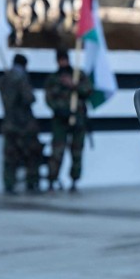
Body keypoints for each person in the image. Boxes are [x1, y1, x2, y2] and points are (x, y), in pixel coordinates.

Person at [45, 49, 93, 193]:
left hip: (78, 120)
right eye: (60, 60)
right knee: (57, 152)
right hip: (60, 120)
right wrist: (59, 110)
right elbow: (49, 98)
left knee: (77, 152)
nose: (63, 62)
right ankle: (52, 180)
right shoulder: (53, 79)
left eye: (64, 59)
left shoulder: (78, 75)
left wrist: (74, 85)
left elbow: (88, 90)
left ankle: (74, 180)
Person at [0, 53, 43, 194]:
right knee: (32, 154)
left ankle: (9, 184)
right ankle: (32, 182)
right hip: (24, 123)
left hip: (8, 122)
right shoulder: (22, 78)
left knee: (10, 156)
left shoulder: (3, 79)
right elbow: (29, 98)